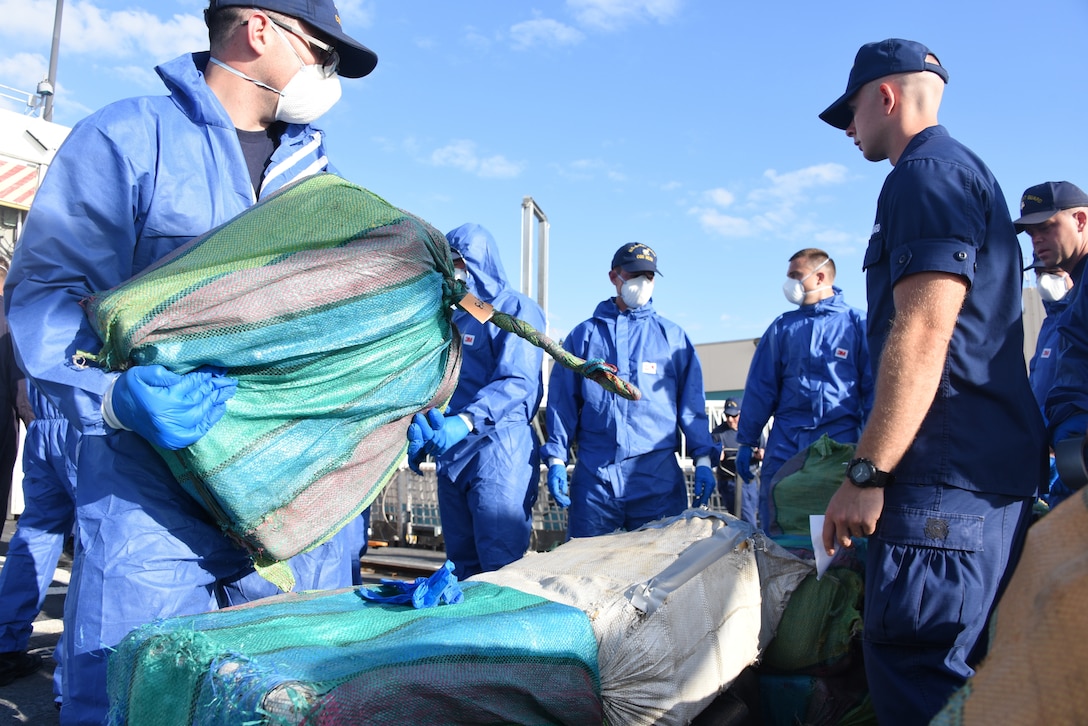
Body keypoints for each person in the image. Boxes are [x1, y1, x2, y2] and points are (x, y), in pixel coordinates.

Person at [4, 2, 378, 720]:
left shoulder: (318, 180)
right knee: (132, 693)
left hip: (280, 499)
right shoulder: (129, 138)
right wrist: (111, 393)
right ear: (260, 28)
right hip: (150, 493)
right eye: (321, 50)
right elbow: (48, 294)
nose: (327, 74)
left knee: (280, 699)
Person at [818, 38, 1046, 725]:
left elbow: (921, 334)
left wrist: (866, 473)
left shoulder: (922, 177)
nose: (850, 128)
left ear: (885, 96)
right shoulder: (967, 173)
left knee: (924, 681)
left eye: (852, 111)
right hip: (979, 480)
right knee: (971, 684)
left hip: (941, 488)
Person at [540, 243, 718, 538]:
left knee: (659, 572)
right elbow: (562, 402)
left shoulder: (672, 338)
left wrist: (702, 459)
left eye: (649, 275)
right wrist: (557, 457)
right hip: (597, 478)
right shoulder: (585, 336)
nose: (642, 282)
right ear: (614, 276)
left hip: (657, 479)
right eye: (634, 274)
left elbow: (692, 405)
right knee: (585, 570)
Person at [406, 223, 545, 578]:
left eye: (459, 262)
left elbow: (518, 382)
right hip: (453, 457)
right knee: (462, 565)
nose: (453, 270)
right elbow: (441, 379)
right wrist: (423, 426)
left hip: (498, 452)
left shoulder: (516, 309)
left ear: (479, 262)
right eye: (447, 262)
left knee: (499, 565)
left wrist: (465, 421)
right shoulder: (461, 313)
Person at [735, 248, 873, 529]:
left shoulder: (857, 324)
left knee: (839, 530)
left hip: (841, 444)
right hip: (786, 443)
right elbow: (761, 389)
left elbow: (874, 391)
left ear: (820, 276)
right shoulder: (782, 328)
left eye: (795, 276)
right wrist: (747, 441)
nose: (789, 284)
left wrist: (872, 452)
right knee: (780, 524)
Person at [0, 383, 77, 699]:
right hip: (88, 422)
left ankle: (4, 645)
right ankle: (74, 686)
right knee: (95, 547)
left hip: (43, 422)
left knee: (36, 534)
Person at [710, 398, 752, 519]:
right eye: (727, 415)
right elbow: (712, 456)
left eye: (734, 416)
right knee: (745, 519)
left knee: (753, 514)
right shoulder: (718, 433)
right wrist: (718, 455)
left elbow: (763, 448)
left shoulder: (751, 429)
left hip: (750, 479)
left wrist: (759, 453)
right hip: (730, 480)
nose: (729, 419)